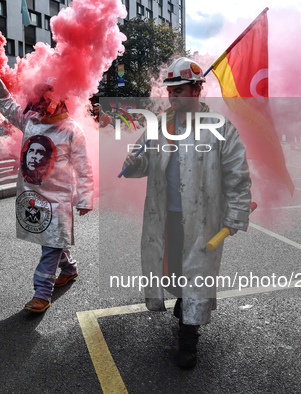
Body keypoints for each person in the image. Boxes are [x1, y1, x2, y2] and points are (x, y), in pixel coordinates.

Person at [122, 57, 252, 369]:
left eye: (180, 89)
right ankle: (184, 307)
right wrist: (132, 164)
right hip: (166, 218)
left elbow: (238, 176)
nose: (174, 96)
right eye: (171, 90)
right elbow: (143, 163)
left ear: (197, 89)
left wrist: (234, 216)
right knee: (177, 271)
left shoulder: (220, 128)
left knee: (197, 276)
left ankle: (188, 341)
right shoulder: (160, 125)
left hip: (203, 222)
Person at [0, 58, 94, 314]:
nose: (38, 104)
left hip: (59, 198)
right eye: (37, 98)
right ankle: (70, 268)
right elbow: (7, 105)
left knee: (50, 244)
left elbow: (84, 167)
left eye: (44, 99)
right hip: (34, 196)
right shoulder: (31, 121)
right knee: (51, 240)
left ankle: (42, 292)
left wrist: (85, 198)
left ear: (58, 99)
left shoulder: (72, 130)